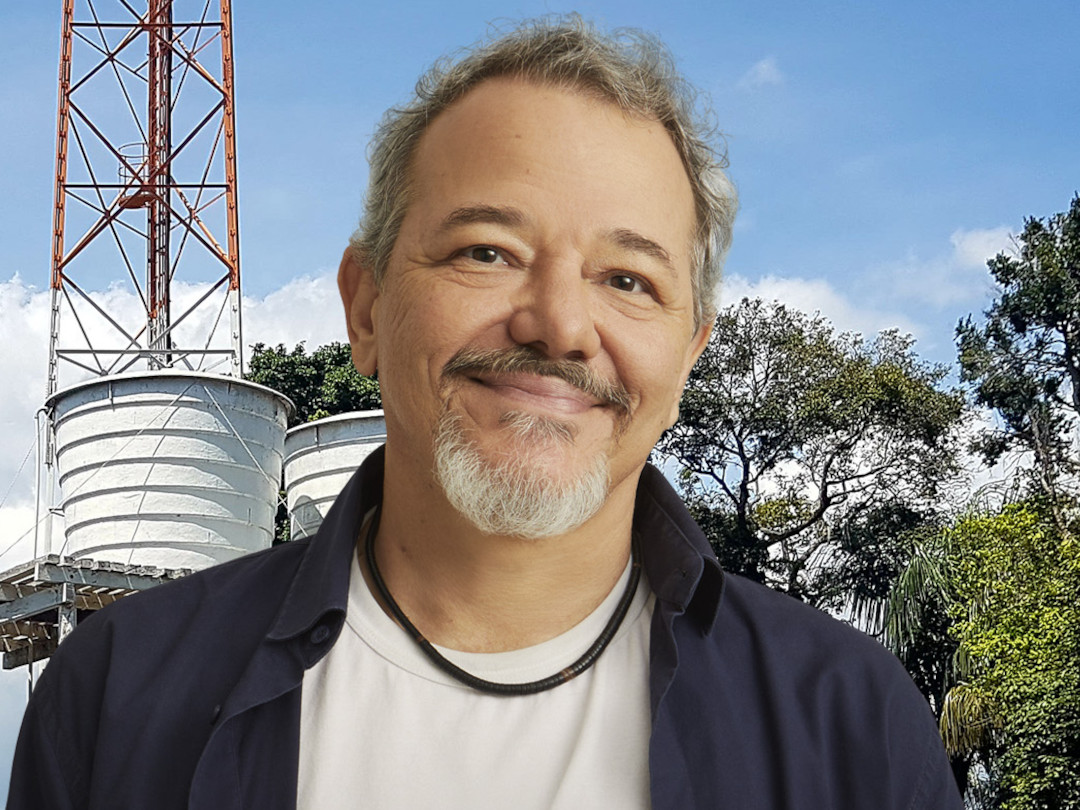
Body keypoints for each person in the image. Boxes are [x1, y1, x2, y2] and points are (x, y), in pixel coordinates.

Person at [8, 17, 963, 810]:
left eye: (628, 278)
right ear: (368, 306)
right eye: (485, 252)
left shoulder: (848, 725)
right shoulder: (117, 697)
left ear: (689, 349)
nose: (558, 325)